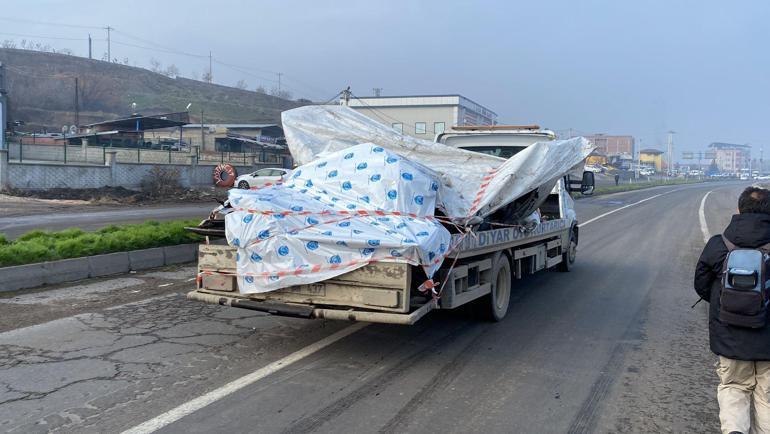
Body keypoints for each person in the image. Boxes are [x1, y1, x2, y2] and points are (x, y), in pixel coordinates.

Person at [694, 186, 770, 434]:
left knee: (734, 387)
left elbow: (701, 285)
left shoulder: (719, 244)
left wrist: (726, 304)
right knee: (766, 395)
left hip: (730, 336)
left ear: (739, 209)